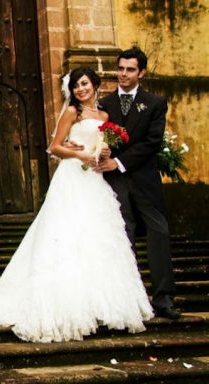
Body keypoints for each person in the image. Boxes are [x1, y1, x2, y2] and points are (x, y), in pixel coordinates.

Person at [0, 67, 153, 343]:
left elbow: (105, 146)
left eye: (85, 84)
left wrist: (103, 152)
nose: (81, 89)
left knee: (97, 239)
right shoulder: (72, 113)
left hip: (95, 180)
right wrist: (80, 156)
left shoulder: (104, 116)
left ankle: (99, 306)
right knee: (67, 236)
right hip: (72, 177)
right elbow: (54, 147)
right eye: (76, 85)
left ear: (95, 85)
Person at [95, 48, 180, 320]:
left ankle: (164, 298)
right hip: (114, 183)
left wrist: (119, 162)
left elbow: (152, 142)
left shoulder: (154, 103)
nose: (123, 74)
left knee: (159, 232)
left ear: (141, 72)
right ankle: (129, 299)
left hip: (143, 180)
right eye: (120, 68)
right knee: (123, 237)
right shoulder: (104, 105)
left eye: (130, 69)